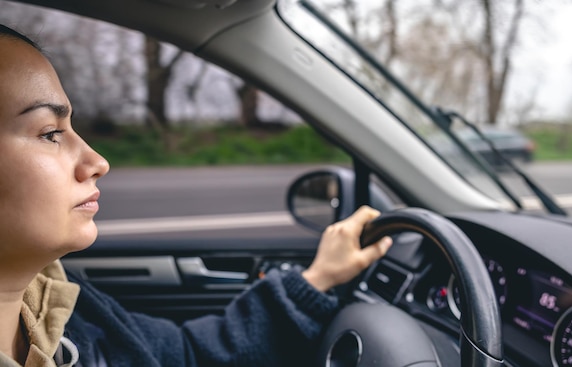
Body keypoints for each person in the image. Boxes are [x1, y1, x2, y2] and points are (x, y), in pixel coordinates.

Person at [0, 24, 392, 367]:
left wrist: (318, 280)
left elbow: (186, 355)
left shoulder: (59, 306)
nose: (97, 162)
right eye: (50, 133)